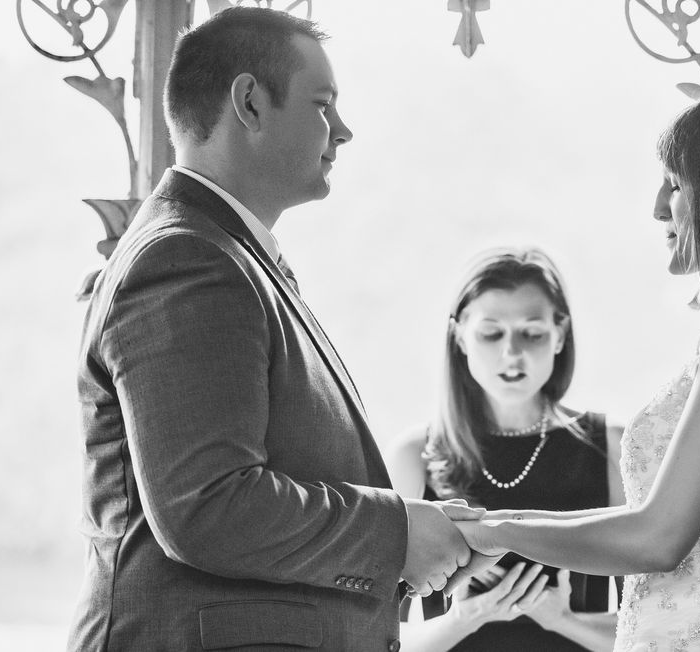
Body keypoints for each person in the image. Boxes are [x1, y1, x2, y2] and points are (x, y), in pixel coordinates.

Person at [67, 7, 480, 651]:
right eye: (323, 104)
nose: (343, 131)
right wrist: (397, 535)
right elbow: (208, 506)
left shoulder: (232, 255)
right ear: (250, 103)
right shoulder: (188, 261)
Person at [455, 89, 700, 651]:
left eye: (677, 184)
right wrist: (490, 523)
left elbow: (657, 538)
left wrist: (493, 533)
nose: (658, 206)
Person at [387, 248, 625, 651]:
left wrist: (563, 620)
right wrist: (465, 619)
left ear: (560, 333)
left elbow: (657, 628)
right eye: (491, 333)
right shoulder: (413, 455)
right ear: (459, 335)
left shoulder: (614, 447)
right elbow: (374, 636)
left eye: (531, 333)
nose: (512, 353)